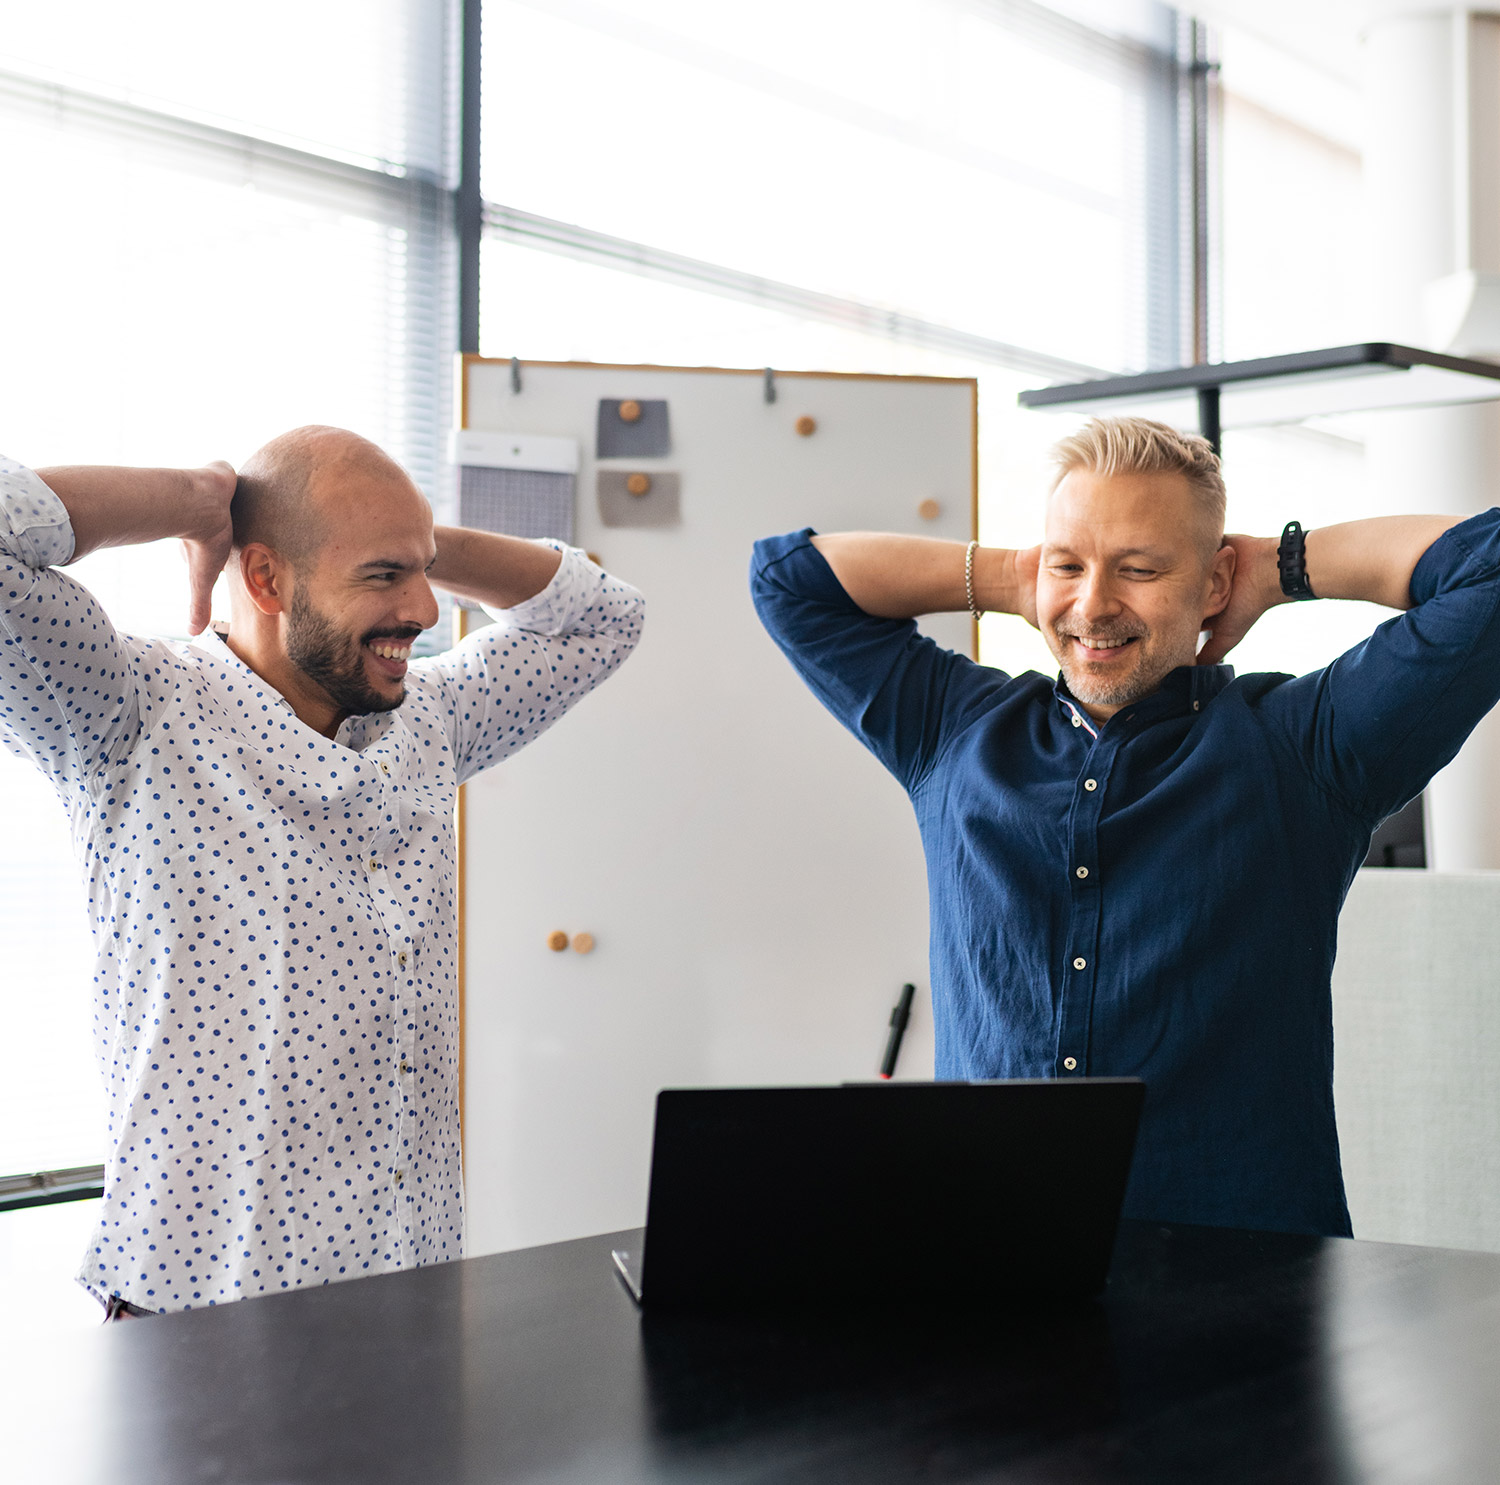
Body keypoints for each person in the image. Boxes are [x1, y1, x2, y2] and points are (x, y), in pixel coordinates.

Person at [751, 415, 1500, 1239]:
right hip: (989, 1269)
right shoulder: (953, 732)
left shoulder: (1305, 748)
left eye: (1139, 569)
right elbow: (787, 578)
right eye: (1070, 563)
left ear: (1212, 584)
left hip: (1244, 1291)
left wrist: (1278, 568)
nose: (1095, 605)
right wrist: (1016, 576)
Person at [0, 427, 644, 1314]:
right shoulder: (126, 710)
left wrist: (411, 540)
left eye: (421, 574)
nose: (423, 608)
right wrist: (194, 500)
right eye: (383, 575)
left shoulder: (432, 716)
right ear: (265, 578)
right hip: (205, 1315)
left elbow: (607, 617)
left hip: (412, 1297)